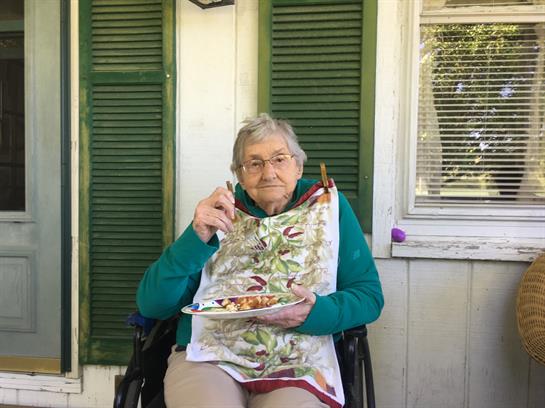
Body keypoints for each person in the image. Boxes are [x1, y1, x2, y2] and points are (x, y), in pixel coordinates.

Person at [136, 113, 384, 408]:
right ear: (239, 175)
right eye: (254, 163)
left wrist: (315, 313)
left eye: (279, 159)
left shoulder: (329, 209)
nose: (268, 173)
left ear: (298, 166)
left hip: (299, 358)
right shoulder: (219, 213)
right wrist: (196, 236)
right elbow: (153, 305)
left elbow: (368, 297)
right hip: (211, 356)